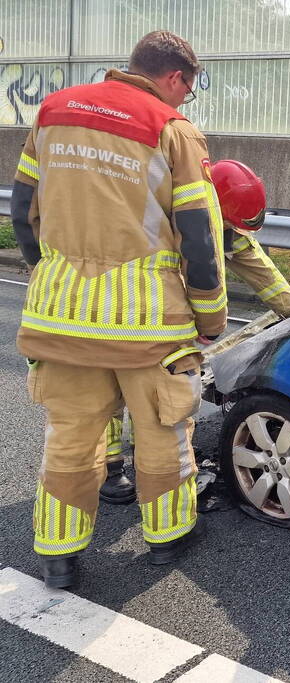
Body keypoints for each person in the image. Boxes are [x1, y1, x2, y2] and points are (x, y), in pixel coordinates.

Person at [12, 30, 226, 587]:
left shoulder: (53, 112)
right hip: (147, 325)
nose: (184, 100)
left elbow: (21, 208)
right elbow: (200, 234)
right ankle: (168, 538)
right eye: (188, 89)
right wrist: (210, 318)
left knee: (71, 436)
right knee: (163, 431)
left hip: (60, 316)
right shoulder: (173, 130)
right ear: (176, 77)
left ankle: (58, 556)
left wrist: (49, 273)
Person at [98, 159, 290, 505]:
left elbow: (262, 273)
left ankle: (151, 464)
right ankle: (110, 468)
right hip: (122, 311)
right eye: (227, 224)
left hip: (168, 323)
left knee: (154, 396)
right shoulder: (162, 220)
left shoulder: (224, 228)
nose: (231, 234)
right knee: (114, 391)